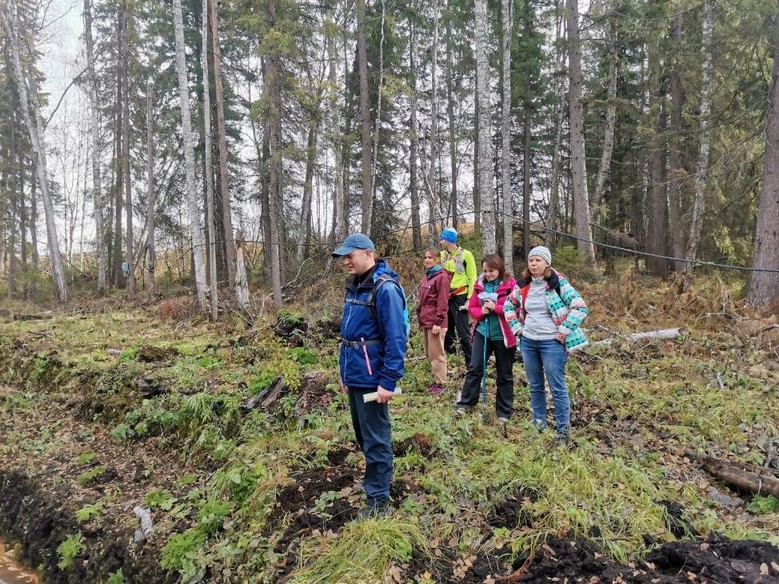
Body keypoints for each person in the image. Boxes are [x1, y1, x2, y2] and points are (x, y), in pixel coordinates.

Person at [332, 233, 407, 518]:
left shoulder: (384, 289)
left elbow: (396, 339)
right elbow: (349, 337)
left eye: (350, 255)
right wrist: (344, 373)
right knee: (363, 435)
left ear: (368, 253)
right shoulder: (355, 287)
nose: (346, 261)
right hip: (355, 374)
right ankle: (376, 483)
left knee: (376, 437)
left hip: (374, 378)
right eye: (344, 257)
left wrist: (388, 380)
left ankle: (379, 500)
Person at [503, 246, 589, 445]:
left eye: (538, 260)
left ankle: (563, 432)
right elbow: (509, 305)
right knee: (535, 386)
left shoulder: (557, 283)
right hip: (529, 342)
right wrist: (517, 328)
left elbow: (580, 306)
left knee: (557, 387)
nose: (534, 264)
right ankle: (539, 425)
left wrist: (564, 331)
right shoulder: (524, 285)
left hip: (552, 343)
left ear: (547, 263)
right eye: (531, 260)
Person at [455, 254, 517, 423]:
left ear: (500, 268)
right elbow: (473, 308)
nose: (488, 274)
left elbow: (516, 309)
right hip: (483, 333)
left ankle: (503, 411)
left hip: (503, 336)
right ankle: (466, 403)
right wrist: (481, 312)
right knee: (474, 367)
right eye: (485, 271)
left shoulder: (511, 286)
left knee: (504, 373)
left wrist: (495, 307)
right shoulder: (479, 285)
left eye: (492, 270)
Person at [439, 227, 477, 364]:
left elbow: (473, 277)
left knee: (463, 333)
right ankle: (451, 361)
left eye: (442, 239)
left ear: (448, 240)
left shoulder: (466, 255)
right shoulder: (442, 255)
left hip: (460, 297)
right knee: (446, 331)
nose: (440, 242)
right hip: (445, 297)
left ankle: (471, 363)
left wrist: (469, 299)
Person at [417, 247, 452, 395]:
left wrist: (438, 322)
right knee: (430, 353)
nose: (427, 260)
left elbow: (443, 302)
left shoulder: (441, 277)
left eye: (430, 257)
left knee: (437, 353)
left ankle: (441, 383)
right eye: (425, 257)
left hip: (436, 321)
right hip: (426, 319)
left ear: (437, 259)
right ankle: (437, 379)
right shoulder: (427, 277)